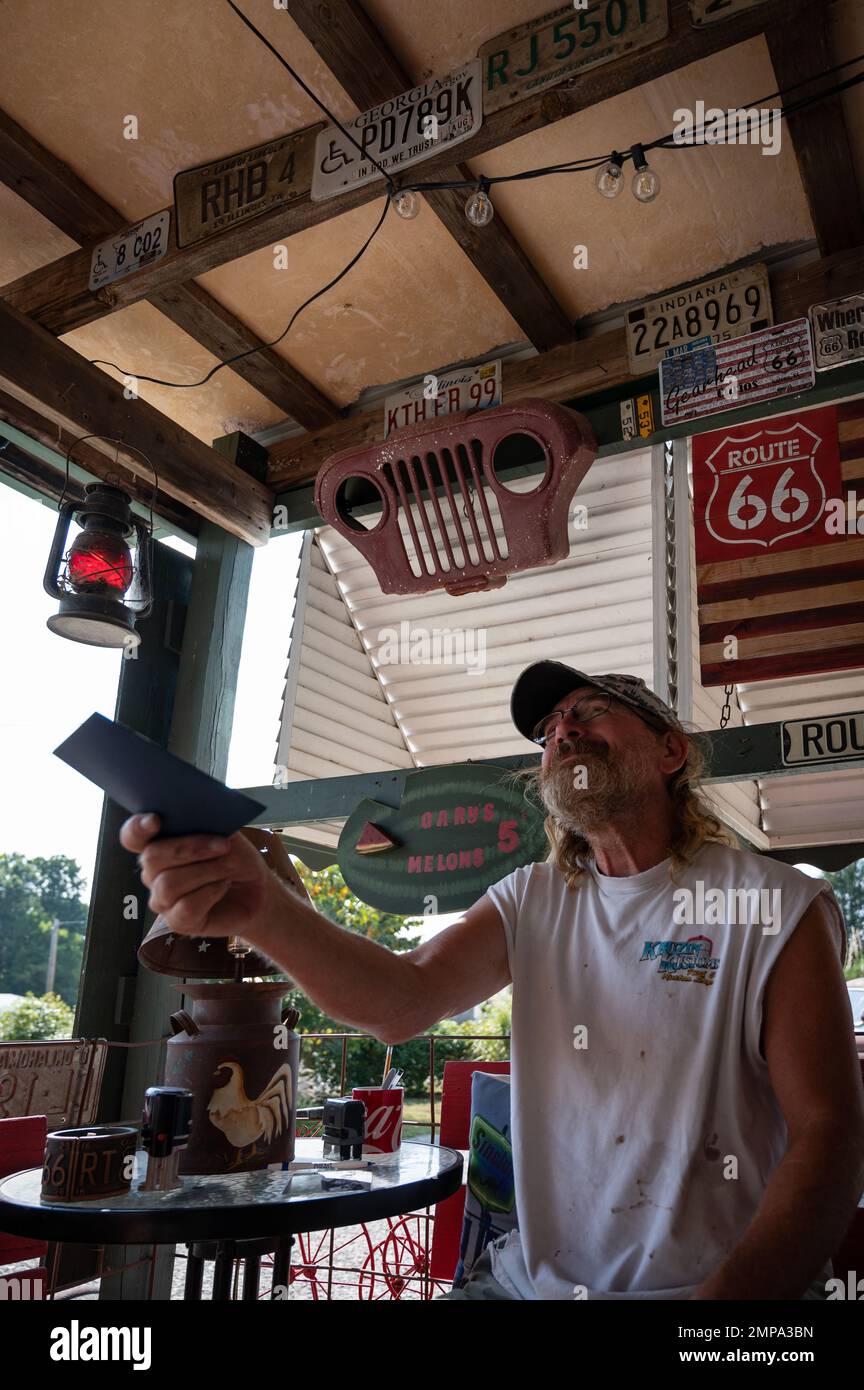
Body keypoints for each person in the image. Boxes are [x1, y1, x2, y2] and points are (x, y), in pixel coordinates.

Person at [120, 662, 864, 1301]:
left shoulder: (774, 904)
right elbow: (399, 1001)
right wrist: (262, 910)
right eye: (548, 731)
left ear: (671, 750)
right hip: (525, 1285)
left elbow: (830, 1133)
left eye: (591, 713)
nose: (562, 732)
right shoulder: (530, 898)